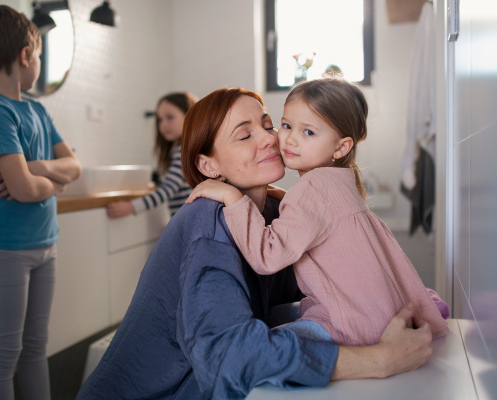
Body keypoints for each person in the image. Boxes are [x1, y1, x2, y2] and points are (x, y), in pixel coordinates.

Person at [77, 87, 433, 400]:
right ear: (208, 165)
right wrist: (380, 360)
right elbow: (231, 355)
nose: (270, 138)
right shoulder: (210, 223)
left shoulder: (276, 212)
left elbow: (331, 282)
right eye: (244, 136)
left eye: (267, 124)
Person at [186, 78, 449, 346]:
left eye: (308, 132)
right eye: (286, 125)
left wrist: (233, 198)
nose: (288, 139)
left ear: (341, 147)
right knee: (275, 314)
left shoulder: (312, 187)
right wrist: (288, 197)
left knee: (264, 345)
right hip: (374, 309)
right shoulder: (338, 180)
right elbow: (325, 219)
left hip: (354, 322)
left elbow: (268, 256)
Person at [0, 6, 82, 400]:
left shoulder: (35, 109)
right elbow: (24, 190)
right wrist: (53, 182)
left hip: (45, 244)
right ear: (25, 56)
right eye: (37, 52)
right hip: (6, 249)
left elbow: (75, 166)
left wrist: (36, 168)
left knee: (35, 347)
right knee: (5, 350)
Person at [106, 92, 198, 219]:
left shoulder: (183, 151)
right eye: (160, 119)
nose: (163, 124)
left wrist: (132, 207)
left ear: (190, 115)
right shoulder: (188, 149)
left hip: (191, 223)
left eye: (170, 117)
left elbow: (168, 190)